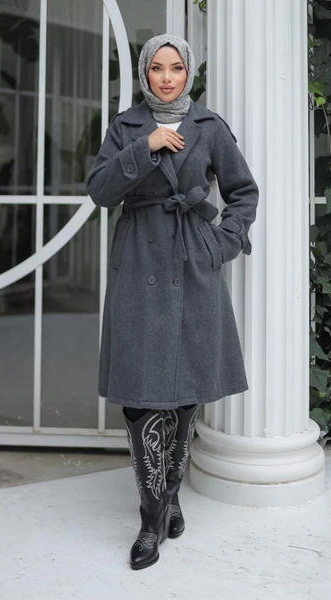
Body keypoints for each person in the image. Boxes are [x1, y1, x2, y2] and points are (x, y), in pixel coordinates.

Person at [86, 34, 259, 570]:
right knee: (141, 395)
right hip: (138, 260)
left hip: (192, 261)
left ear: (188, 73)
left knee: (185, 391)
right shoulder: (126, 126)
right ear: (145, 73)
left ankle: (168, 496)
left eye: (176, 68)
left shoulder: (209, 126)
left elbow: (243, 192)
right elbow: (99, 191)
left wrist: (222, 242)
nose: (166, 77)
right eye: (157, 68)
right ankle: (150, 517)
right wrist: (147, 146)